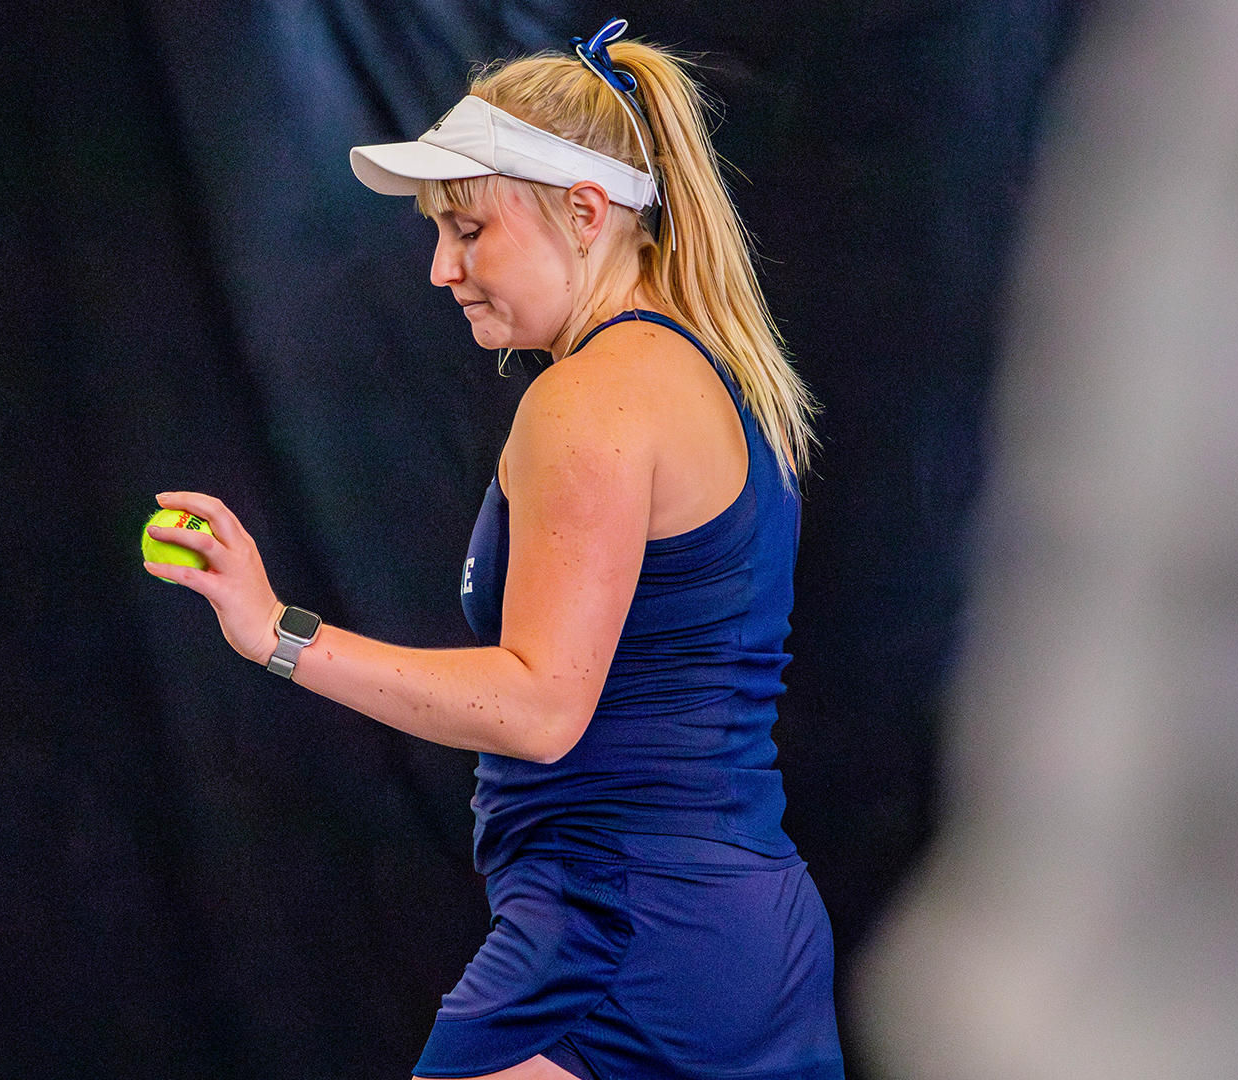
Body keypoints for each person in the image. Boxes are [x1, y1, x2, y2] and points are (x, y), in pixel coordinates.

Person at [144, 19, 842, 1080]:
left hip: (618, 941)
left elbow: (537, 707)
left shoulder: (589, 399)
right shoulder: (709, 380)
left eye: (468, 230)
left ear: (585, 211)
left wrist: (276, 633)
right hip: (746, 936)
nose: (440, 269)